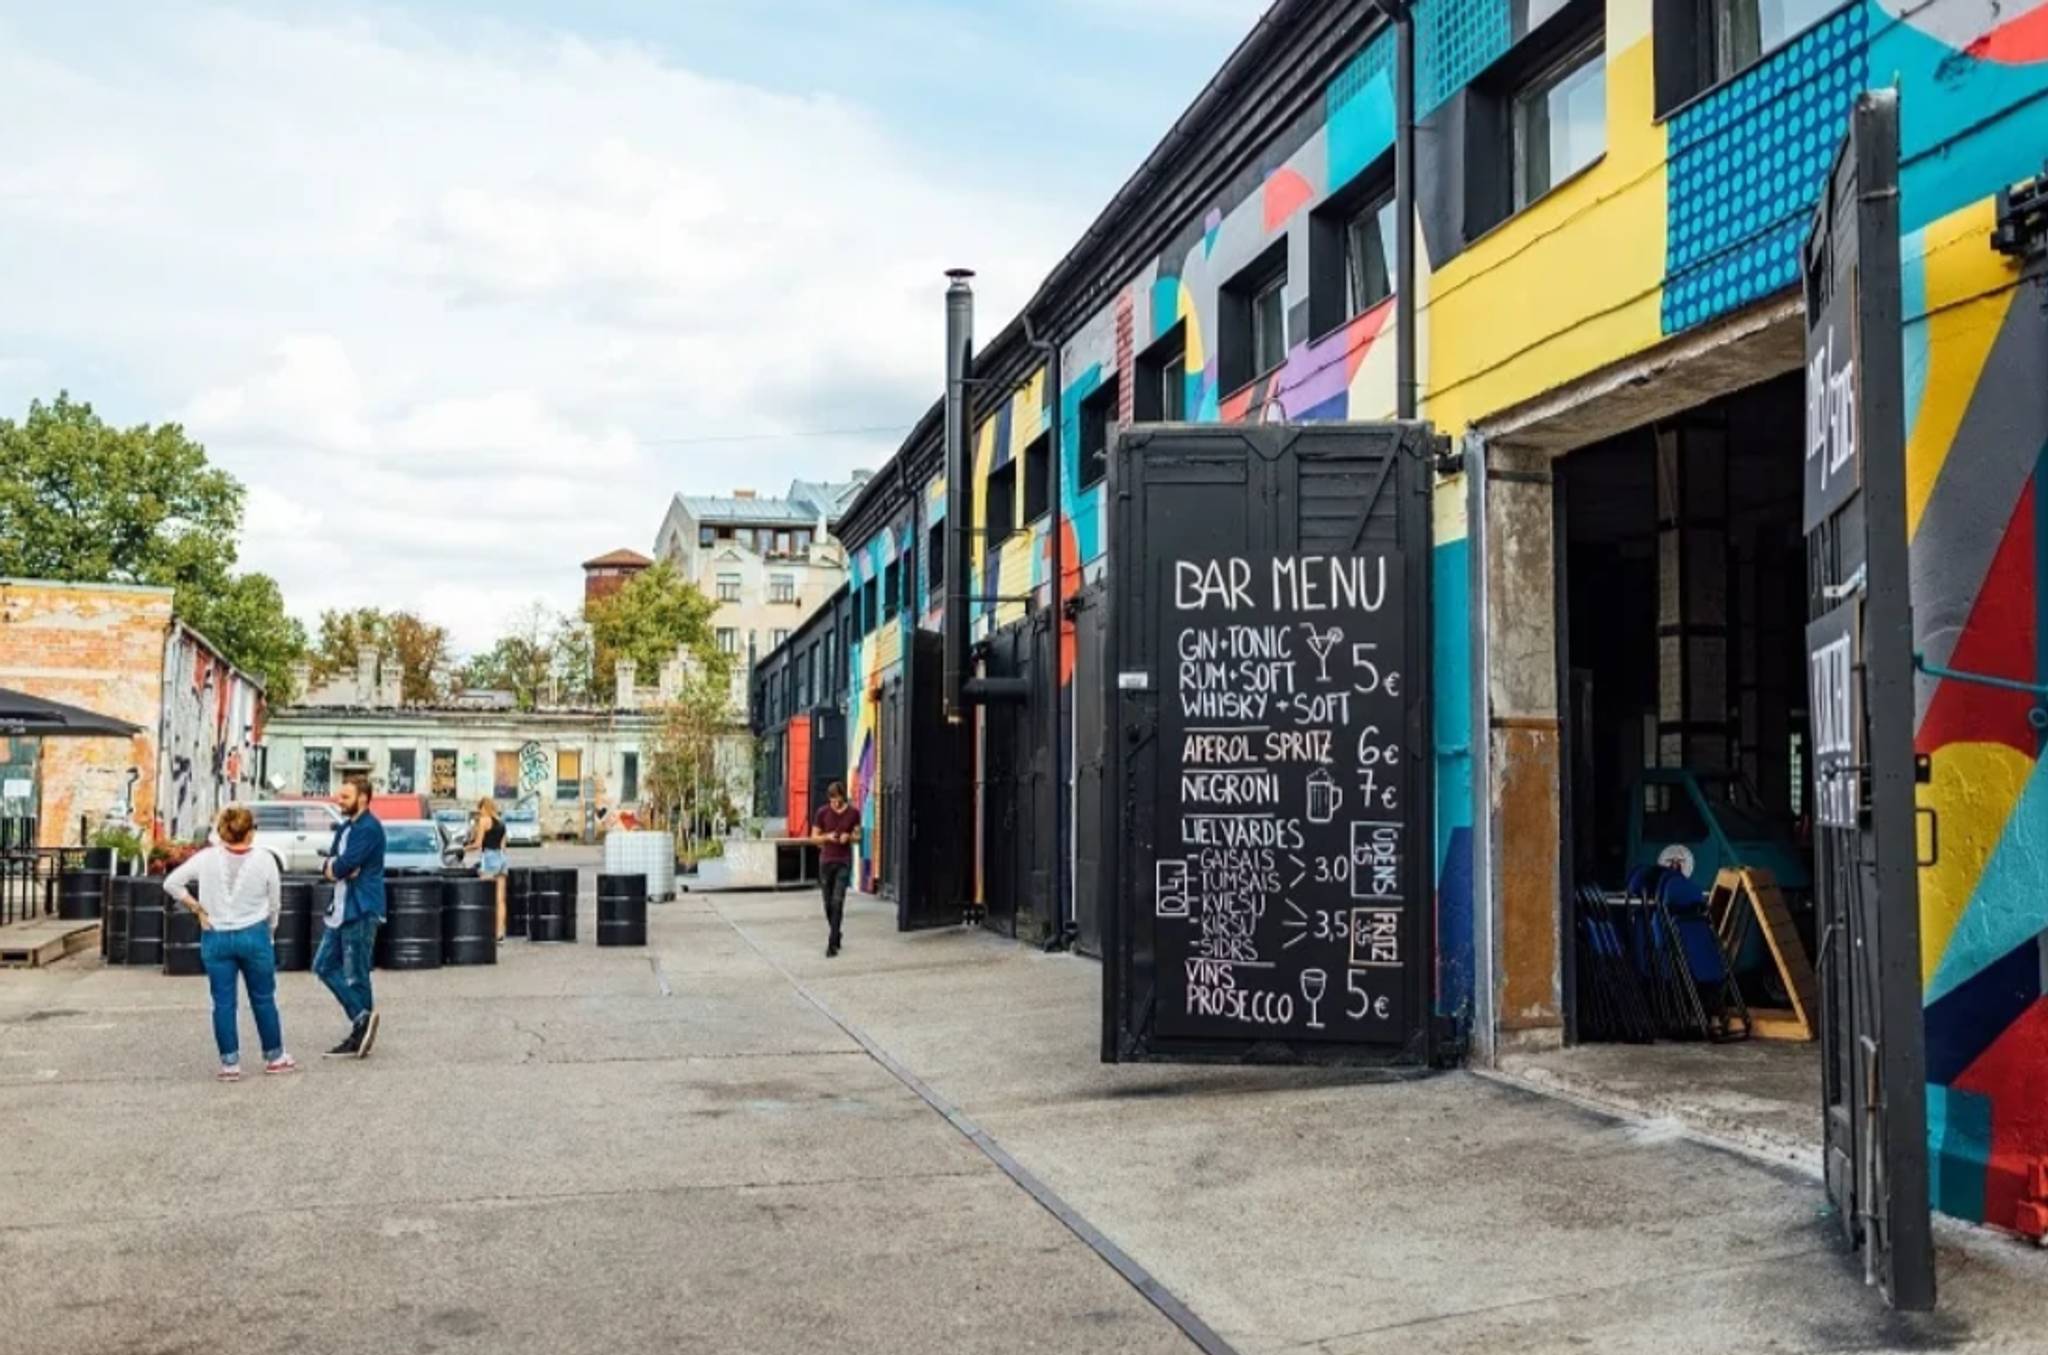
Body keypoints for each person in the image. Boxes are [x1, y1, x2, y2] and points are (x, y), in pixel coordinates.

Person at [164, 804, 296, 1081]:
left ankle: (230, 1064)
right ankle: (275, 1056)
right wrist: (269, 931)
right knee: (263, 998)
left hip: (216, 934)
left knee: (223, 1001)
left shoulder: (207, 858)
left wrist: (198, 909)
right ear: (249, 832)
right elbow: (275, 904)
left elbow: (172, 883)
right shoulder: (265, 860)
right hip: (254, 933)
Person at [316, 775, 387, 1058]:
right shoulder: (346, 827)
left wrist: (337, 867)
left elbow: (343, 867)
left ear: (363, 798)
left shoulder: (369, 829)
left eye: (345, 797)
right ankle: (361, 1018)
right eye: (340, 795)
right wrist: (333, 866)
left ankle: (360, 1030)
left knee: (357, 973)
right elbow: (333, 863)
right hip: (341, 908)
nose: (339, 800)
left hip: (361, 908)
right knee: (323, 965)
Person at [810, 781, 861, 958]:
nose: (836, 804)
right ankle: (836, 931)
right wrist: (827, 837)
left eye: (838, 800)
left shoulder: (854, 813)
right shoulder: (822, 812)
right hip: (826, 861)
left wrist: (850, 836)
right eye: (832, 801)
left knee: (838, 901)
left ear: (843, 797)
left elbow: (858, 835)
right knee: (827, 903)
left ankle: (832, 944)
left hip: (843, 861)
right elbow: (814, 838)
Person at [465, 797, 508, 940]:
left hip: (489, 857)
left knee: (486, 896)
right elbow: (503, 845)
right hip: (501, 858)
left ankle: (487, 931)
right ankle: (500, 933)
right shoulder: (502, 823)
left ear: (485, 808)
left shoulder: (484, 821)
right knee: (500, 899)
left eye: (480, 809)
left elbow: (477, 844)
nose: (479, 812)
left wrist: (463, 849)